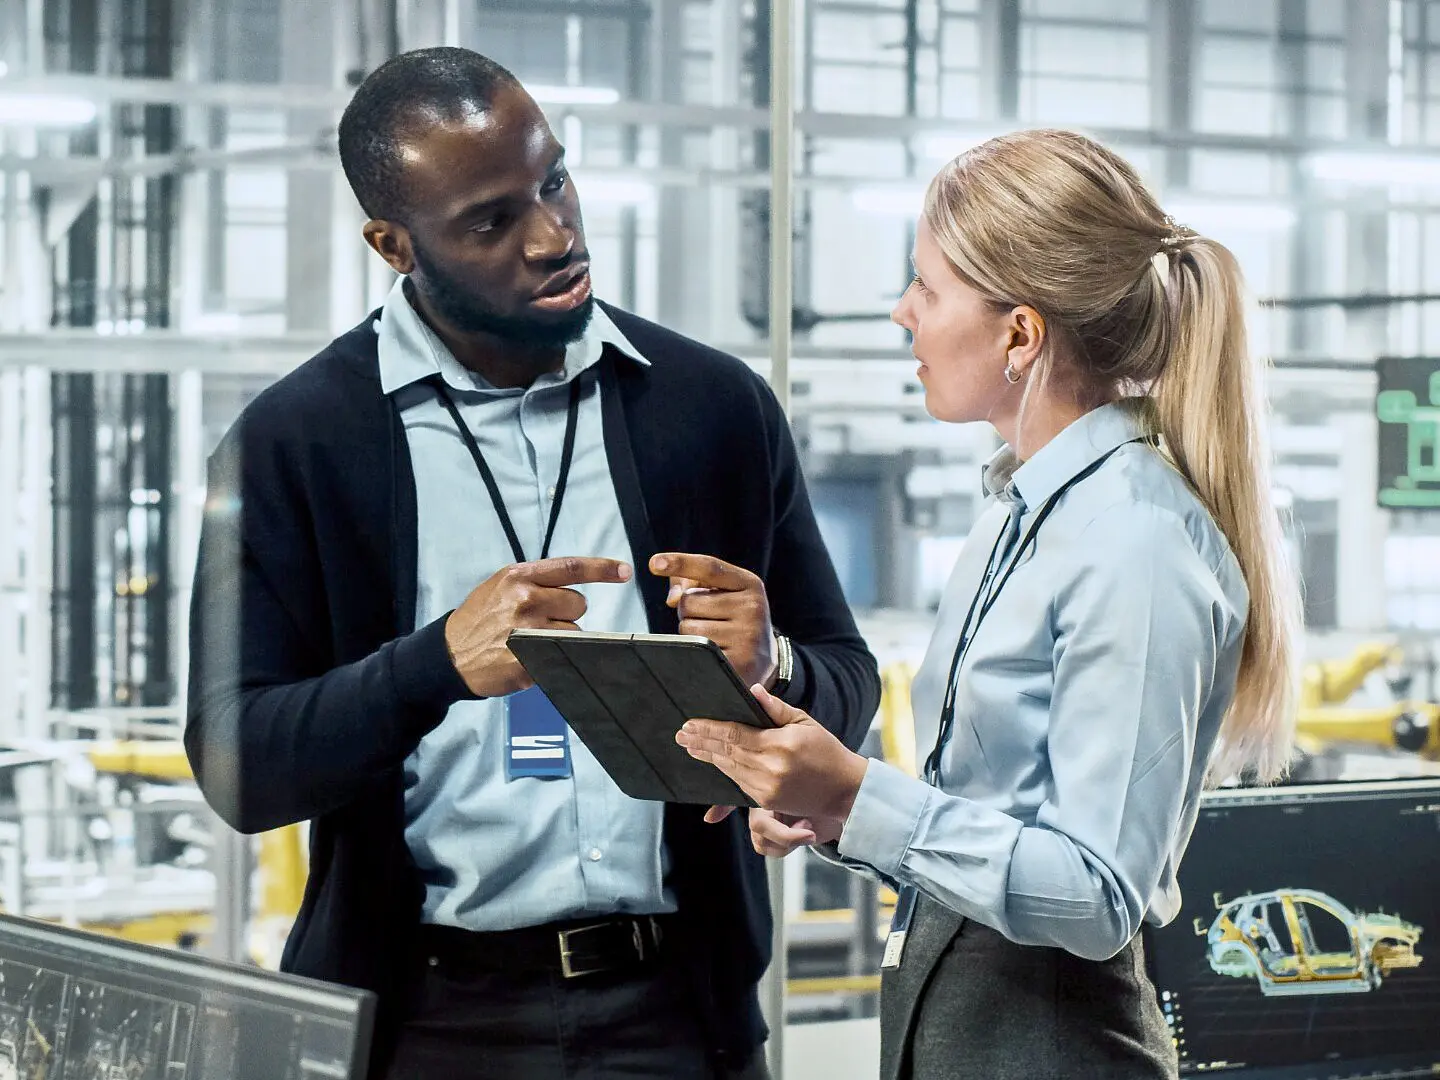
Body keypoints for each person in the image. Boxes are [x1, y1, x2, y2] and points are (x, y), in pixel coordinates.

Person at [184, 46, 880, 1080]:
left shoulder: (714, 411)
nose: (555, 236)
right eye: (491, 221)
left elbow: (849, 684)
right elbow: (238, 763)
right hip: (425, 1025)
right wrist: (437, 667)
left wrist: (777, 668)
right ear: (394, 244)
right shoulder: (294, 446)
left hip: (681, 1018)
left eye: (553, 178)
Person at [676, 128, 1300, 1080]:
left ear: (1020, 333)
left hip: (1054, 1042)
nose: (900, 313)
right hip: (960, 1019)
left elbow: (1095, 895)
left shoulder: (1132, 542)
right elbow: (991, 820)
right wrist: (836, 812)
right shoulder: (1024, 514)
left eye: (925, 287)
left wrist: (857, 791)